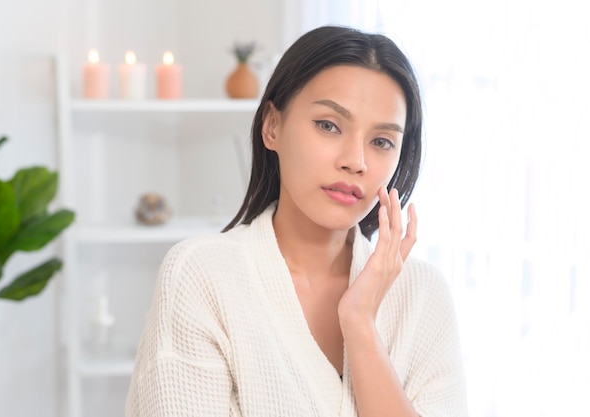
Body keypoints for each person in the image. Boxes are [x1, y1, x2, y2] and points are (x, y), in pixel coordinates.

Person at [125, 25, 468, 417]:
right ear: (272, 126)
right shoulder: (202, 275)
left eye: (381, 141)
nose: (355, 161)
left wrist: (360, 324)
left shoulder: (423, 295)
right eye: (328, 125)